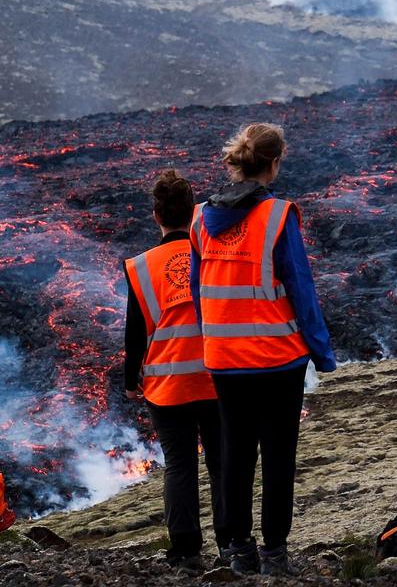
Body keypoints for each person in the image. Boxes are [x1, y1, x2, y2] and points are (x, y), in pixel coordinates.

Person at [189, 122, 337, 577]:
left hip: (224, 361)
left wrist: (214, 338)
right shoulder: (278, 215)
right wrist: (322, 352)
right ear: (275, 162)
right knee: (277, 456)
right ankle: (274, 554)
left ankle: (238, 551)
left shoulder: (199, 218)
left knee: (234, 455)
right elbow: (299, 286)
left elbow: (199, 290)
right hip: (277, 359)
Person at [123, 169, 228, 569]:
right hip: (217, 377)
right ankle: (230, 541)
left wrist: (130, 379)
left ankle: (185, 550)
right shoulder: (213, 254)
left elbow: (135, 333)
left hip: (167, 385)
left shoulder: (141, 266)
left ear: (156, 216)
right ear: (193, 212)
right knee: (221, 463)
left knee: (180, 464)